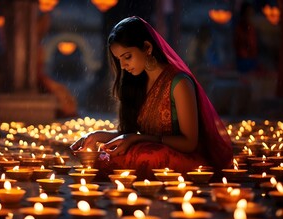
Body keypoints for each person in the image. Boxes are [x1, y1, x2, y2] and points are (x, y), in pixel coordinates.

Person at [70, 16, 232, 180]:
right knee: (113, 154)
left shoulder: (179, 83)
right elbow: (129, 134)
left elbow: (189, 142)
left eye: (127, 57)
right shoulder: (136, 83)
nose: (123, 66)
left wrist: (139, 139)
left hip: (181, 158)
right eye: (119, 60)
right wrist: (97, 135)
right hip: (148, 150)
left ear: (147, 47)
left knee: (145, 155)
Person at [234, 1, 258, 73]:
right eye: (248, 13)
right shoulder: (239, 29)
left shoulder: (252, 29)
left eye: (251, 14)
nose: (250, 16)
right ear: (243, 14)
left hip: (252, 60)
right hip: (242, 62)